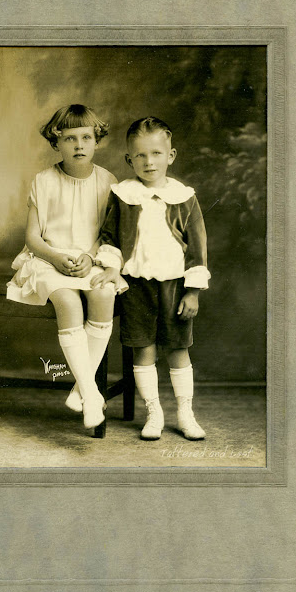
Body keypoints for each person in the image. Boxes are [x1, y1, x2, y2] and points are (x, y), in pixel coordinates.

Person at [6, 104, 126, 431]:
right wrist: (56, 257)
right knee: (69, 302)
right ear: (56, 142)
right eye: (70, 138)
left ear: (96, 141)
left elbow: (108, 234)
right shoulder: (44, 181)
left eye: (86, 137)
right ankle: (91, 393)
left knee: (104, 293)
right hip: (47, 260)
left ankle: (79, 390)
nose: (78, 145)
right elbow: (33, 238)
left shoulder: (108, 181)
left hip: (91, 259)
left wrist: (90, 256)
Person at [92, 116, 210, 440]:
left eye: (156, 153)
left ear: (170, 156)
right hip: (136, 285)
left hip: (175, 286)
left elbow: (197, 247)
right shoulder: (123, 195)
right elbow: (110, 236)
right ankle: (153, 412)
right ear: (129, 159)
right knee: (143, 349)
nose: (149, 162)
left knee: (177, 349)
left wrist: (193, 291)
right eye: (140, 155)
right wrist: (111, 267)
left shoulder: (184, 197)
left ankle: (185, 413)